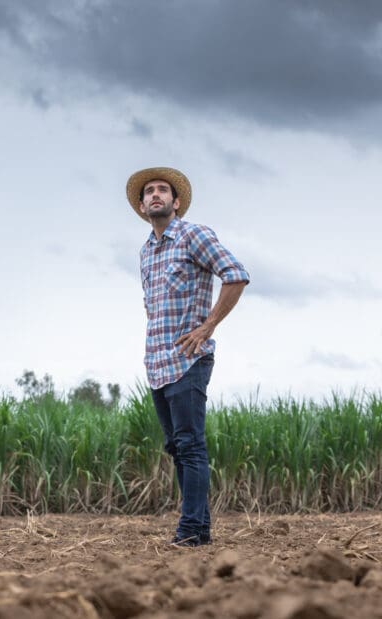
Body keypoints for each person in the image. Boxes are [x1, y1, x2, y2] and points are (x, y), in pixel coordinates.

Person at [126, 167, 249, 547]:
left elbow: (236, 274)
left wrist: (208, 326)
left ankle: (192, 530)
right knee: (176, 447)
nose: (156, 195)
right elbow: (153, 308)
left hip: (189, 358)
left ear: (176, 203)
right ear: (143, 205)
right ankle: (199, 527)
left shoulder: (193, 235)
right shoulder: (146, 252)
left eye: (163, 190)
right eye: (149, 192)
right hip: (157, 364)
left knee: (191, 444)